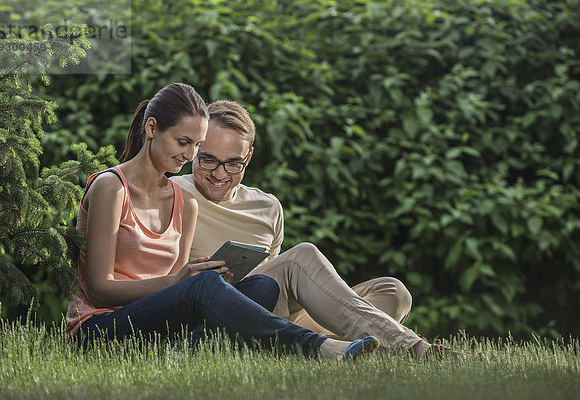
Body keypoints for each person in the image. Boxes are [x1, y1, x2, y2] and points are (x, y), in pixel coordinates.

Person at [65, 83, 380, 360]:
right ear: (151, 128)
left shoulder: (183, 201)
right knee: (202, 285)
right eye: (182, 142)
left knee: (262, 286)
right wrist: (181, 283)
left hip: (155, 330)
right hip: (99, 331)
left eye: (196, 146)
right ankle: (317, 347)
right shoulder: (111, 187)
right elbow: (99, 290)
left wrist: (196, 282)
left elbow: (175, 296)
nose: (189, 155)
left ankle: (179, 354)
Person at [171, 100, 477, 359]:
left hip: (271, 311)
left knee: (393, 293)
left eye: (233, 164)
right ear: (195, 149)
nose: (219, 174)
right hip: (213, 314)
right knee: (300, 257)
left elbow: (274, 279)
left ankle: (326, 347)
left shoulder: (267, 206)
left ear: (248, 157)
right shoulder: (173, 194)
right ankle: (417, 349)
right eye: (208, 160)